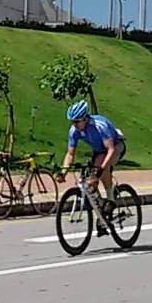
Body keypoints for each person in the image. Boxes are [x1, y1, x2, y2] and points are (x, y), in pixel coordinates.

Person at [59, 100, 126, 234]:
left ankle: (111, 200)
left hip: (115, 147)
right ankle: (101, 212)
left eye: (76, 121)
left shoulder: (99, 126)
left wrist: (99, 173)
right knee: (89, 182)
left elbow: (111, 150)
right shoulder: (74, 130)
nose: (74, 125)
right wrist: (64, 172)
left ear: (85, 119)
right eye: (72, 122)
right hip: (99, 150)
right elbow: (70, 154)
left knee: (101, 168)